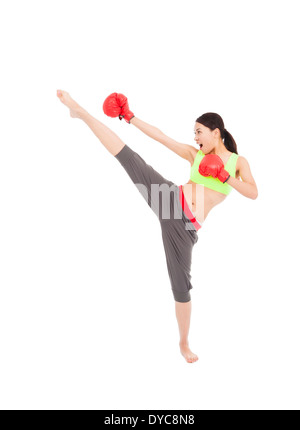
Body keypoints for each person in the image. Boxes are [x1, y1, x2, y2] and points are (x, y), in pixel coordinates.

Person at [56, 90, 258, 363]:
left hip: (185, 228)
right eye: (194, 134)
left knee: (181, 287)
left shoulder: (237, 162)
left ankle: (183, 343)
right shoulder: (195, 155)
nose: (195, 139)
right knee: (130, 158)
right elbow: (161, 137)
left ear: (216, 132)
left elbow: (252, 192)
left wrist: (224, 175)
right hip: (170, 199)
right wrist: (130, 117)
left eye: (199, 132)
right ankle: (81, 113)